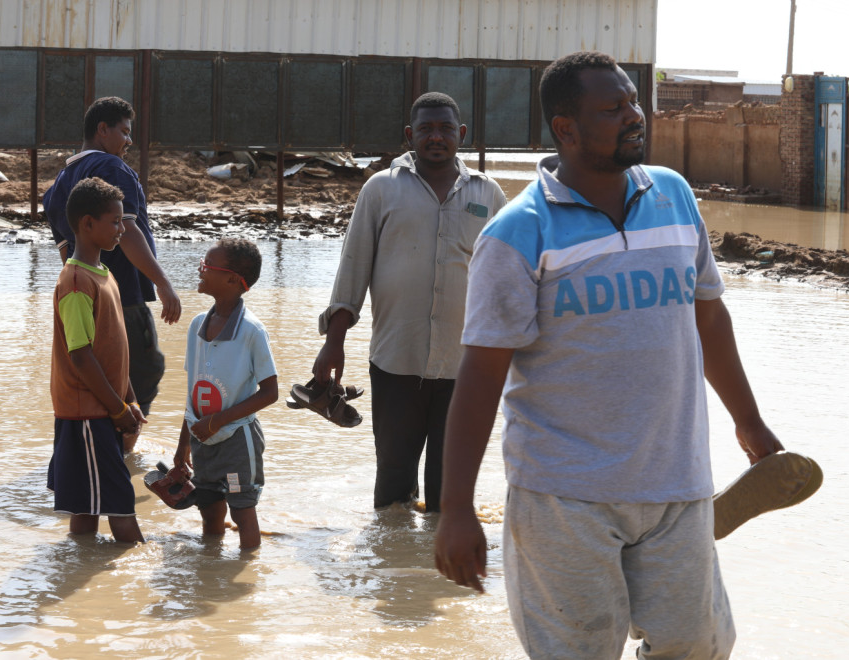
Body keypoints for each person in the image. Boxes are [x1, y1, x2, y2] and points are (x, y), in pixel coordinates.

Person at [434, 51, 785, 658]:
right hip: (563, 496)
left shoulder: (673, 195)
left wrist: (748, 422)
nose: (634, 115)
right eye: (613, 107)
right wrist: (456, 507)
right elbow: (481, 377)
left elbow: (709, 318)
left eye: (632, 101)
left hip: (677, 480)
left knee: (698, 646)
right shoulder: (517, 235)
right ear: (565, 128)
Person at [312, 92, 507, 513]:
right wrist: (334, 342)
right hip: (395, 364)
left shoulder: (488, 195)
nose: (436, 137)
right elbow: (353, 268)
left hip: (464, 367)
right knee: (394, 487)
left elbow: (507, 277)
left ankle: (435, 576)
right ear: (409, 136)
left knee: (449, 491)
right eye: (425, 129)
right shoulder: (381, 189)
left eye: (445, 129)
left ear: (462, 135)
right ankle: (393, 568)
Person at [43, 96, 182, 452]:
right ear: (102, 130)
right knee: (143, 369)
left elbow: (66, 254)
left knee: (102, 368)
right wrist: (164, 284)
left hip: (90, 295)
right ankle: (123, 448)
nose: (129, 140)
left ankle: (105, 446)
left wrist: (79, 293)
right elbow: (131, 233)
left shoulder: (58, 185)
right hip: (124, 295)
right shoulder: (112, 167)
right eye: (124, 131)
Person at [48, 177, 146, 544]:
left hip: (102, 407)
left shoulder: (103, 274)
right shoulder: (75, 282)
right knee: (122, 508)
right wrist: (117, 409)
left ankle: (79, 577)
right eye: (115, 221)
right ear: (87, 224)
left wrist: (130, 399)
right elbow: (82, 356)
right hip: (87, 412)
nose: (122, 229)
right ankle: (137, 579)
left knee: (86, 510)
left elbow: (114, 353)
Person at [173, 238, 278, 550]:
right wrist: (183, 449)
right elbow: (193, 393)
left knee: (242, 510)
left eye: (208, 266)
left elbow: (270, 392)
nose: (200, 269)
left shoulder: (252, 332)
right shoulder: (196, 327)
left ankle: (244, 578)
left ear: (232, 279)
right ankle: (210, 575)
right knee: (209, 512)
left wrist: (218, 421)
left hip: (236, 441)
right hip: (202, 440)